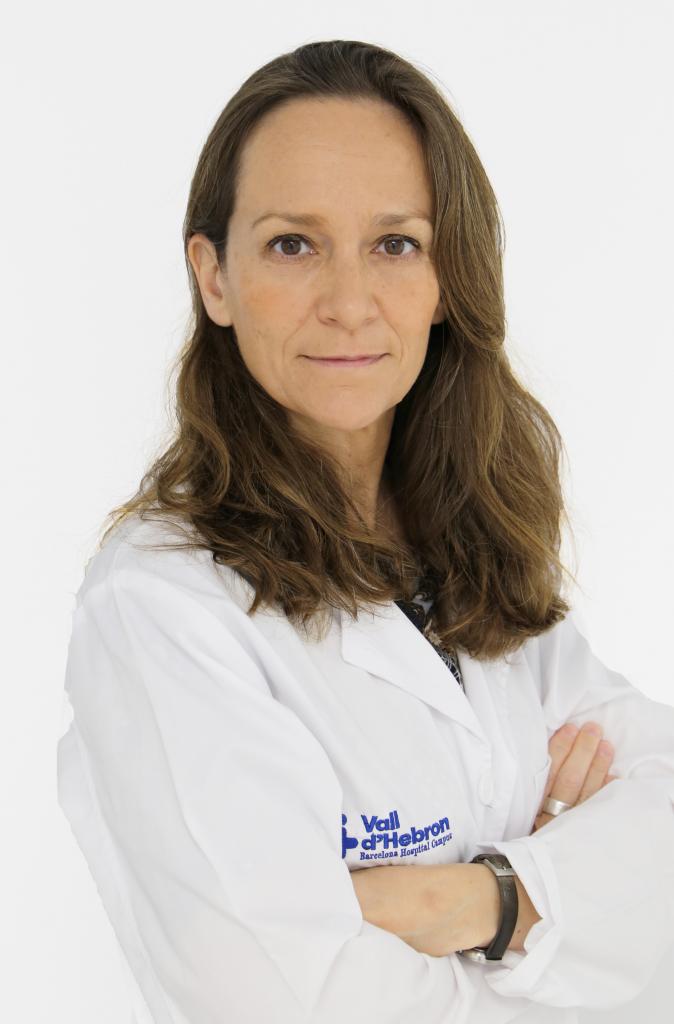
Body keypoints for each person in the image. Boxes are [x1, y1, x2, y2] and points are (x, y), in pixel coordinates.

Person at [57, 39, 674, 1024]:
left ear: (446, 277)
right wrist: (568, 904)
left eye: (395, 244)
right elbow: (282, 997)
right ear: (213, 277)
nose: (349, 304)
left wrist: (470, 899)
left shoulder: (469, 548)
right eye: (291, 245)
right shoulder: (160, 606)